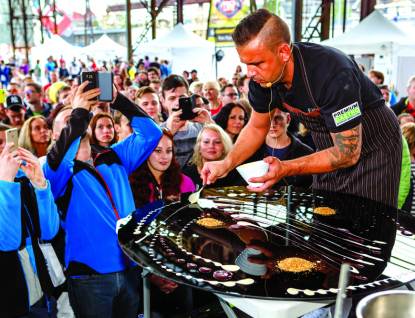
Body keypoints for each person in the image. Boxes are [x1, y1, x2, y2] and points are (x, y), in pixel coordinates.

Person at [202, 9, 402, 209]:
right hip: (328, 147)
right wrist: (226, 164)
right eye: (246, 64)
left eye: (257, 63)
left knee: (368, 220)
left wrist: (286, 168)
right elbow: (256, 128)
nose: (250, 73)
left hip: (374, 146)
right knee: (326, 215)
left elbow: (347, 151)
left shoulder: (332, 73)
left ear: (283, 52)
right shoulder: (262, 80)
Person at [43, 80, 162, 318]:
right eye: (70, 120)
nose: (78, 119)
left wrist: (117, 99)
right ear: (58, 135)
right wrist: (78, 111)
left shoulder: (113, 155)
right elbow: (58, 159)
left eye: (81, 116)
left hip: (130, 268)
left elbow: (152, 133)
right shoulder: (54, 171)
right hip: (90, 276)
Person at [0, 142, 59, 318]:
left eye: (7, 142)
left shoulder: (19, 178)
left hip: (40, 292)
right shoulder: (8, 182)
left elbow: (49, 232)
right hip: (9, 302)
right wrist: (5, 184)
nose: (5, 149)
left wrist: (40, 184)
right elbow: (8, 242)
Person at [129, 129, 196, 207]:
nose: (165, 156)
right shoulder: (129, 183)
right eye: (158, 151)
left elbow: (192, 214)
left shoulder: (185, 182)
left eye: (168, 151)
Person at [160, 75, 213, 169]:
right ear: (163, 101)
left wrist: (209, 122)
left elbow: (224, 150)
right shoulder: (157, 131)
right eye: (172, 98)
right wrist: (168, 132)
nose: (177, 103)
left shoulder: (200, 128)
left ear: (188, 98)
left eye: (181, 97)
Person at [251, 109, 314, 187]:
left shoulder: (306, 153)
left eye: (278, 118)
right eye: (268, 118)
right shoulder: (251, 152)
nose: (272, 124)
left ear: (288, 119)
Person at [183, 124, 244, 189]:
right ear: (199, 148)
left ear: (224, 148)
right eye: (206, 142)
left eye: (217, 142)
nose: (211, 146)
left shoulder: (236, 173)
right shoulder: (187, 174)